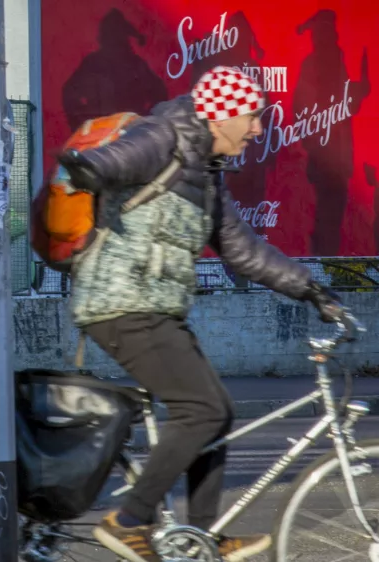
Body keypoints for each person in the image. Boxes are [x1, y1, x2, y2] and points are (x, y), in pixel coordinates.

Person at [55, 66, 346, 562]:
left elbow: (242, 250)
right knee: (201, 409)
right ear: (223, 115)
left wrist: (310, 288)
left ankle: (198, 539)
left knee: (218, 411)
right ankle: (127, 521)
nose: (258, 129)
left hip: (156, 308)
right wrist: (89, 168)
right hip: (120, 304)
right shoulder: (164, 136)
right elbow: (117, 159)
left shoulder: (206, 174)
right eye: (253, 118)